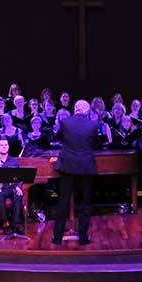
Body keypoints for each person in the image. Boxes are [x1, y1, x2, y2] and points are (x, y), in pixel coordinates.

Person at [52, 100, 99, 245]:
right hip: (85, 167)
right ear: (87, 111)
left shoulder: (65, 122)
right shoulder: (93, 125)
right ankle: (83, 238)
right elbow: (95, 144)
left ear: (75, 109)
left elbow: (58, 138)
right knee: (85, 203)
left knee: (63, 202)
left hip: (68, 166)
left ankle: (58, 237)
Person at [0, 137, 24, 235]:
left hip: (10, 188)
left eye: (6, 145)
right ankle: (5, 224)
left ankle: (15, 224)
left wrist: (18, 187)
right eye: (2, 145)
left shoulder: (14, 161)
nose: (4, 147)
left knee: (18, 195)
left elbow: (19, 177)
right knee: (1, 194)